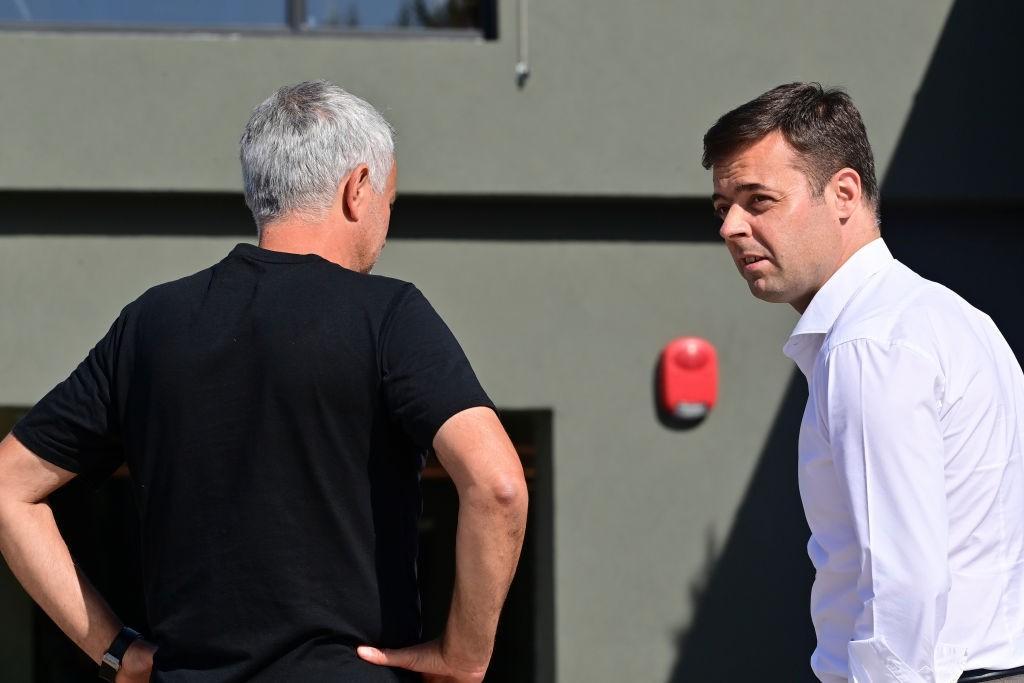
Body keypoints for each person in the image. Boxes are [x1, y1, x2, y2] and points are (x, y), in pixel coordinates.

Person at [0, 80, 528, 682]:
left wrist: (117, 650)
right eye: (390, 201)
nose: (386, 224)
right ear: (358, 189)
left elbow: (7, 489)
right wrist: (465, 655)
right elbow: (499, 487)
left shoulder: (151, 323)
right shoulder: (387, 315)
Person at [702, 82, 1024, 682]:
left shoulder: (868, 345)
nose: (731, 228)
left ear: (844, 192)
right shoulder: (954, 319)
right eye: (724, 207)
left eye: (758, 199)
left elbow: (904, 583)